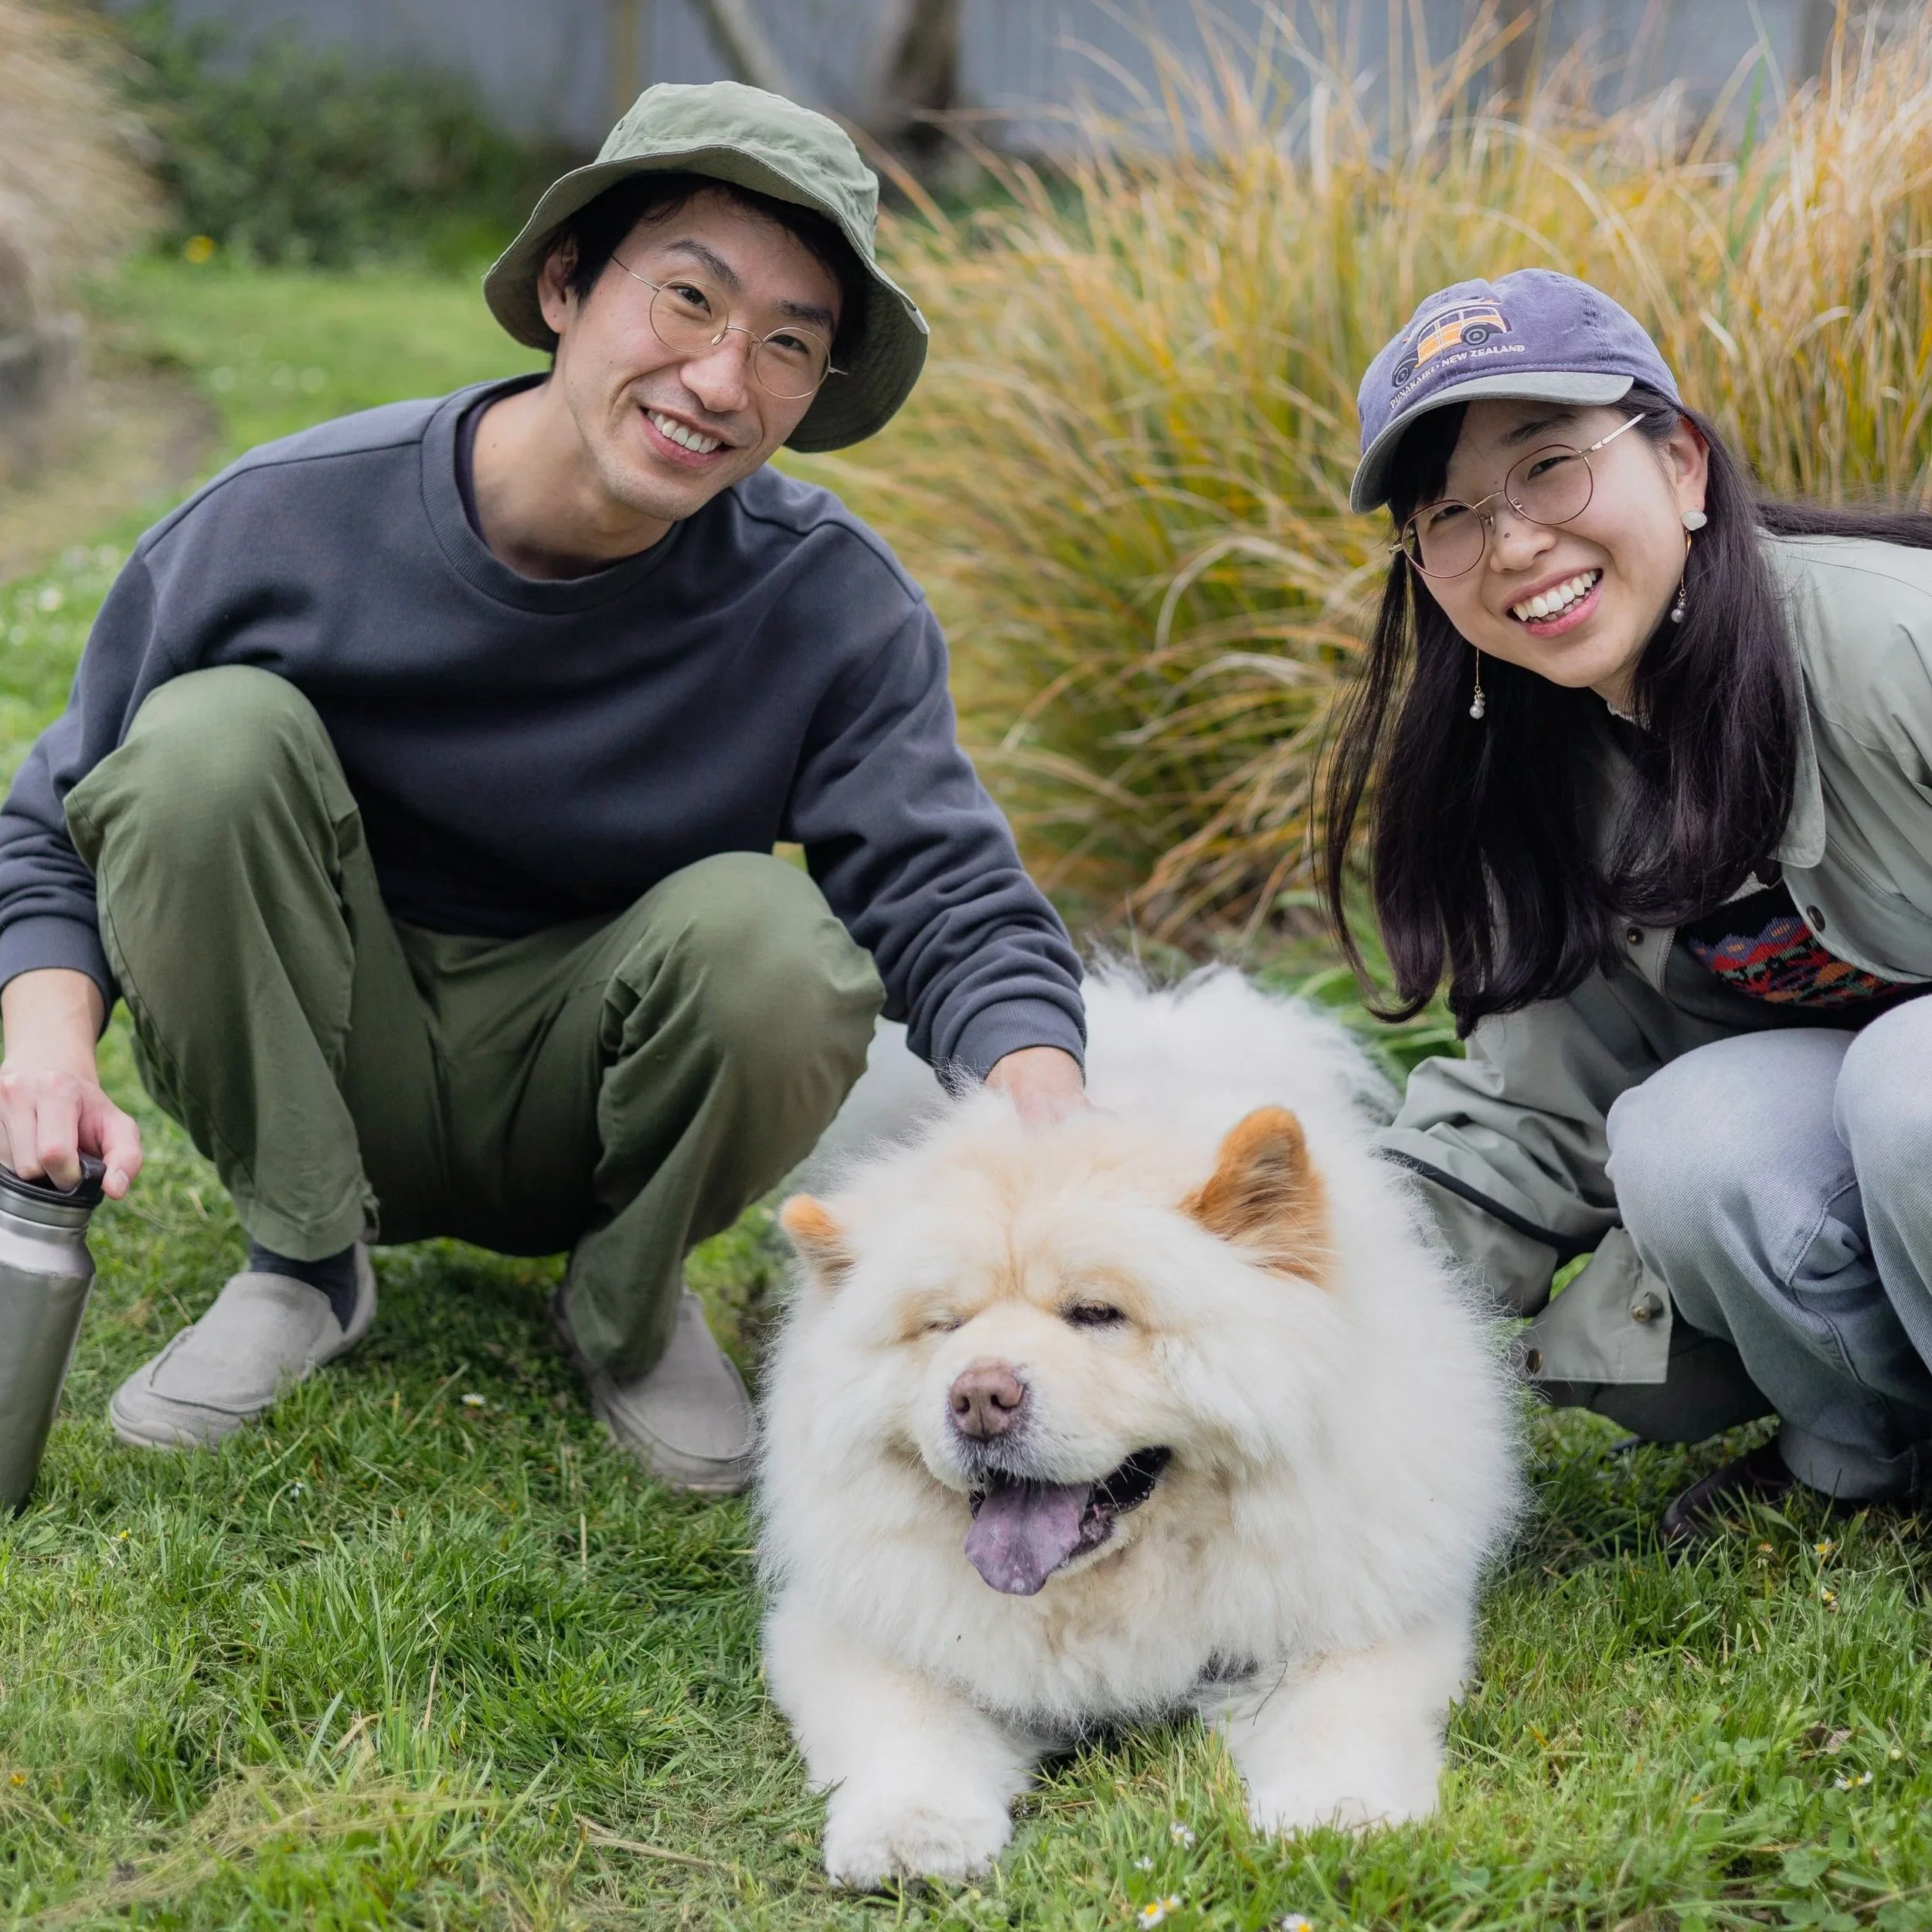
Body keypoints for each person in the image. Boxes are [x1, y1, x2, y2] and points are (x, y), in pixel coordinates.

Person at [0, 82, 1087, 1496]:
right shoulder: (284, 519)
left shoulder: (831, 605)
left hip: (597, 1085)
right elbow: (55, 823)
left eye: (785, 346)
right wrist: (42, 1049)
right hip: (328, 1047)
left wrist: (1053, 1111)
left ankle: (624, 1308)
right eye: (688, 300)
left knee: (777, 941)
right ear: (569, 283)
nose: (719, 380)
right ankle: (305, 1263)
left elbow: (947, 893)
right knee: (205, 744)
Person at [1328, 267, 1932, 1543]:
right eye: (1450, 517)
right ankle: (1867, 1464)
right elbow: (1527, 1114)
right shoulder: (1538, 774)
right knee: (1690, 1141)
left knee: (1906, 1083)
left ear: (1686, 467)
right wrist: (1277, 1286)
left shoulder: (1894, 644)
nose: (1513, 545)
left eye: (1548, 466)